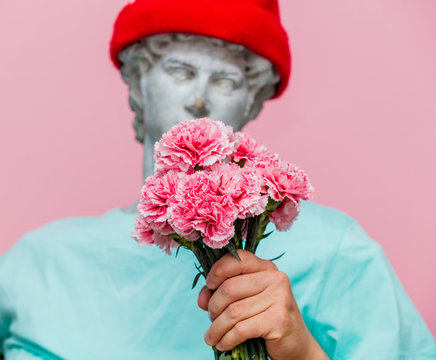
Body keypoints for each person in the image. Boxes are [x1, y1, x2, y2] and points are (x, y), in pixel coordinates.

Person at [0, 0, 435, 359]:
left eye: (225, 80)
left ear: (254, 101)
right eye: (180, 71)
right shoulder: (37, 263)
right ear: (137, 85)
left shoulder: (338, 254)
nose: (200, 98)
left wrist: (302, 351)